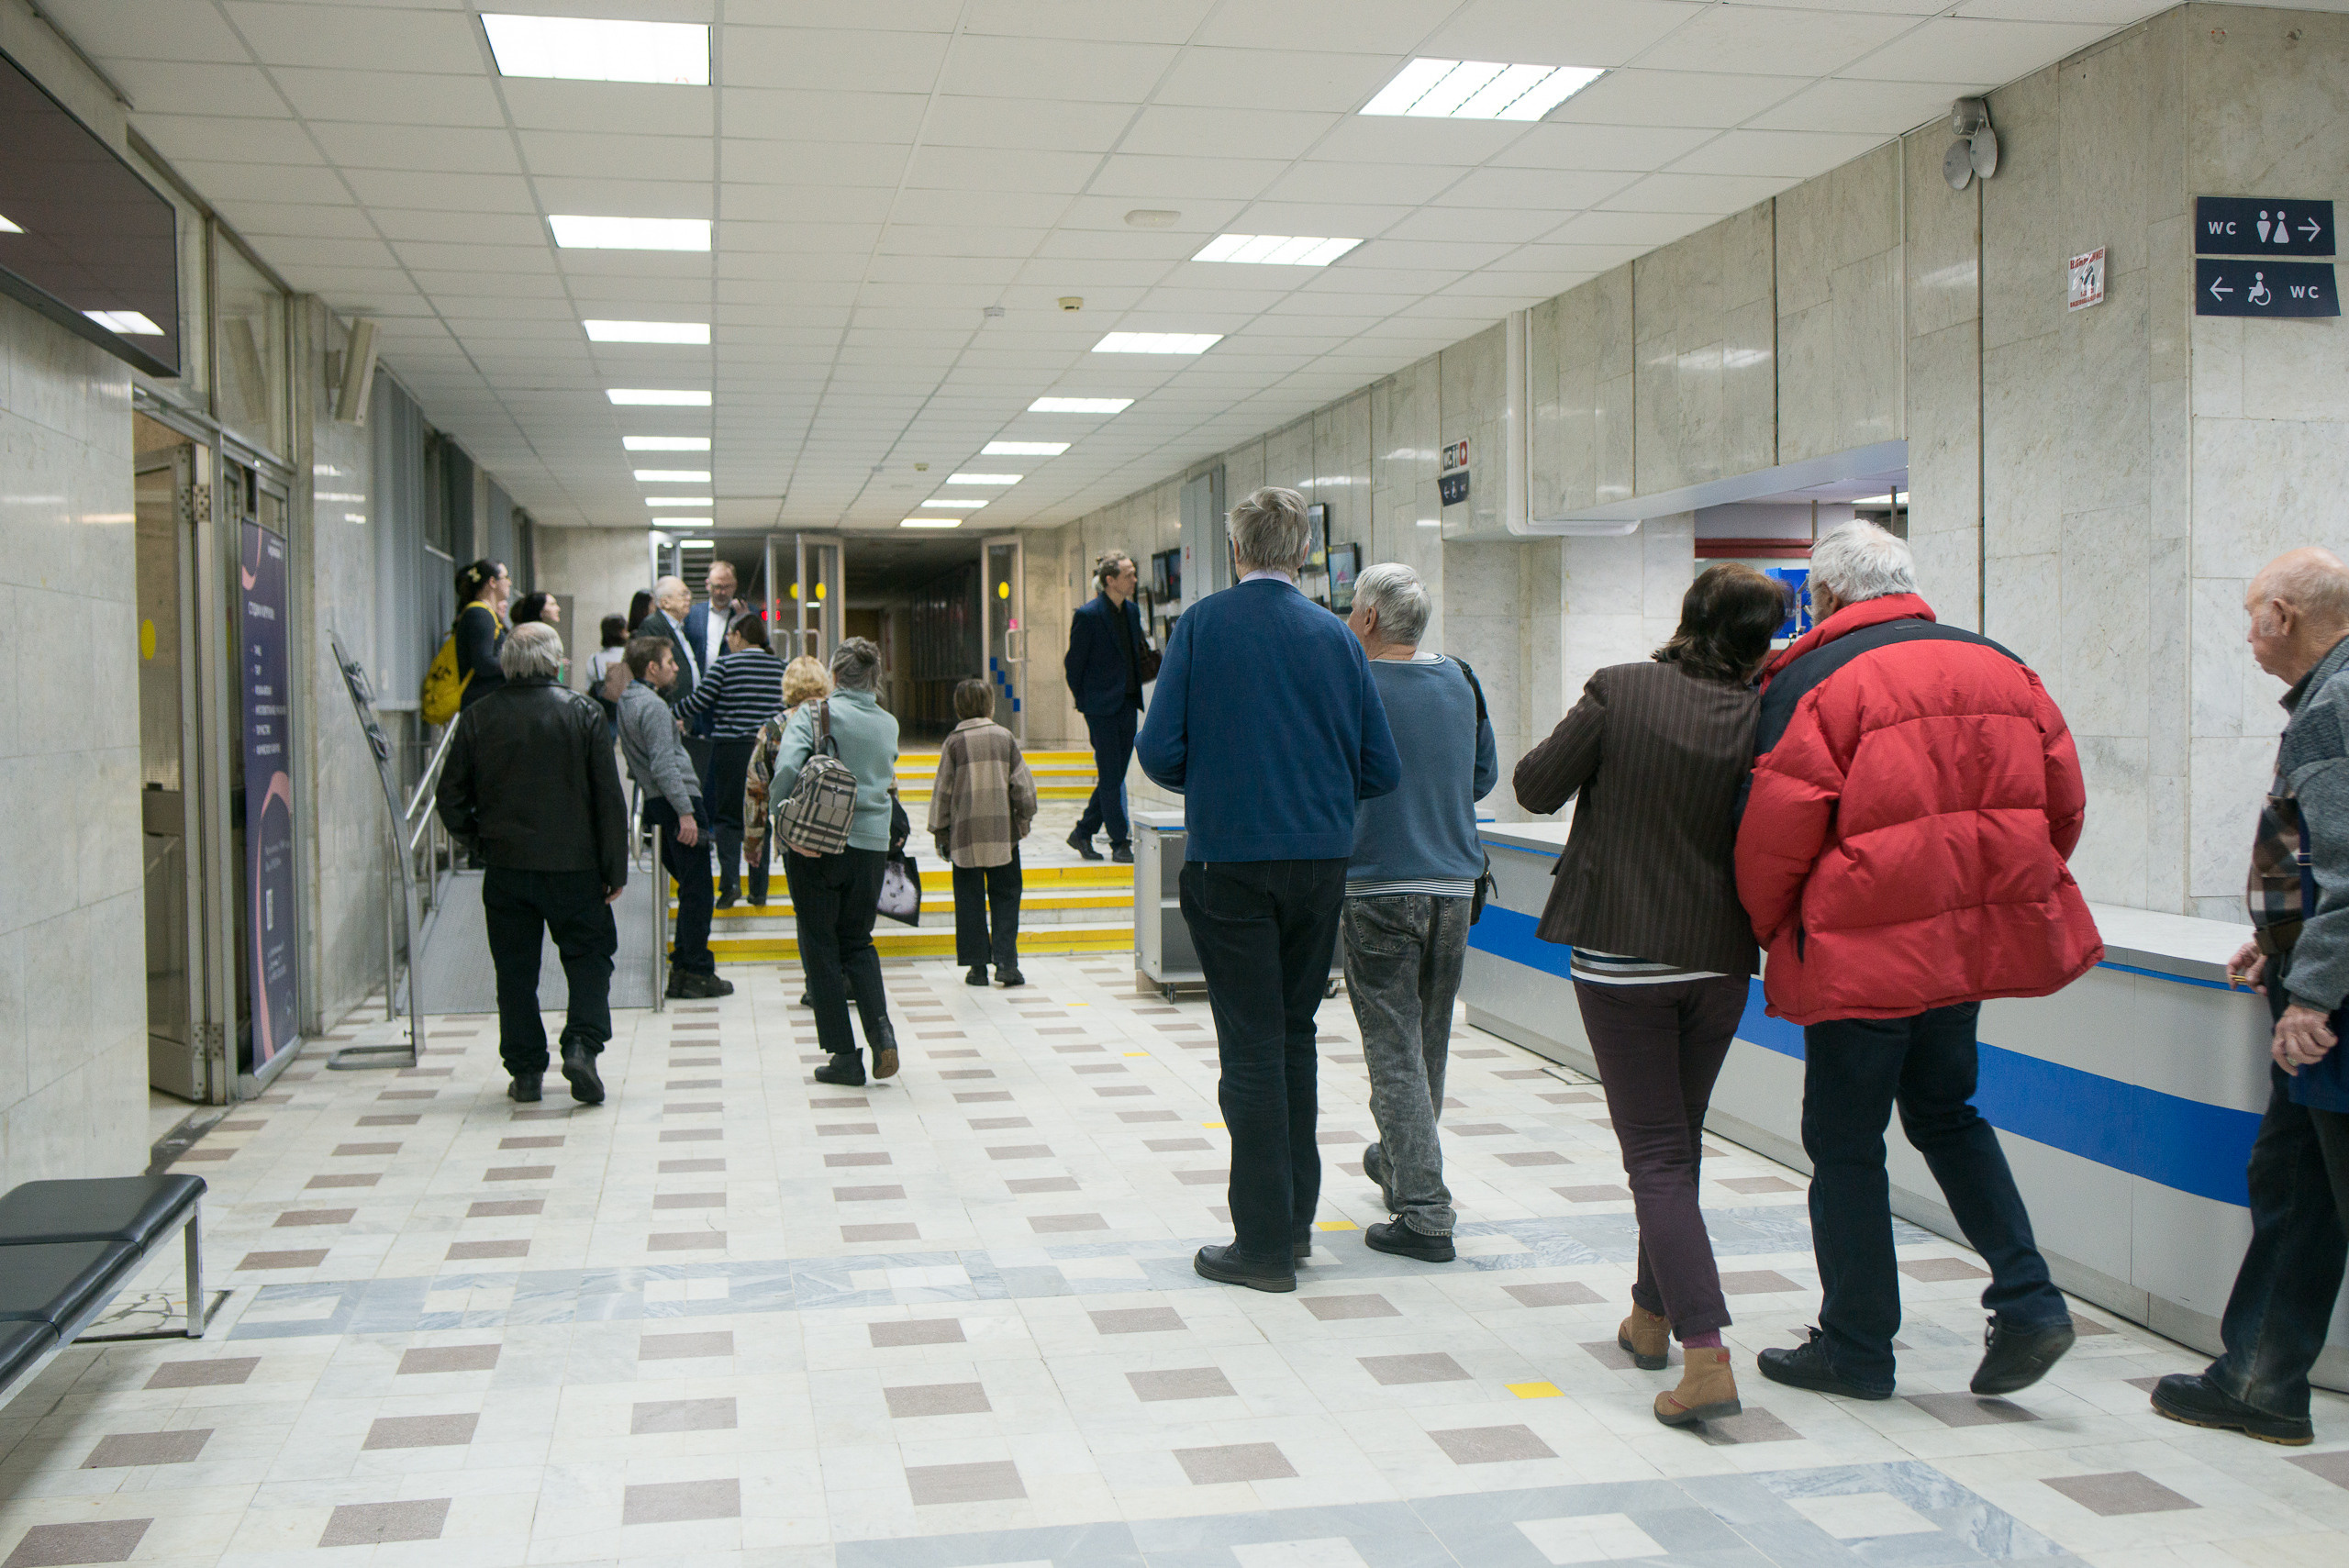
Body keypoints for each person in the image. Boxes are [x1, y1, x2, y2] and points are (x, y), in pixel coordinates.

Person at [1735, 521, 2099, 1402]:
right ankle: (2030, 1300)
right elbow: (2062, 807)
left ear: (1825, 595)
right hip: (1961, 947)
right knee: (1947, 1112)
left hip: (1861, 949)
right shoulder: (2003, 666)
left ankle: (1857, 1346)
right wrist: (1987, 893)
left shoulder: (1817, 678)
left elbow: (1777, 830)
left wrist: (1777, 926)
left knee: (1845, 1140)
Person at [1515, 563, 1789, 1429]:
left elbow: (1534, 786)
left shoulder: (1621, 689)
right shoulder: (1765, 711)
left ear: (1688, 616)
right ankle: (1649, 1316)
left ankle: (1706, 1355)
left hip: (1623, 956)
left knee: (1657, 1156)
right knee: (1678, 1139)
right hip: (1720, 959)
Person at [1138, 486, 1401, 1293]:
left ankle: (1259, 1245)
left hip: (1229, 862)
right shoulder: (1338, 636)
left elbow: (1159, 750)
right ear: (1304, 552)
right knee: (1294, 1036)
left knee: (1249, 1048)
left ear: (1236, 548)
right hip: (1319, 865)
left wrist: (1221, 774)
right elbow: (1380, 766)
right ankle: (1292, 1222)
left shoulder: (1202, 626)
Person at [2151, 548, 2349, 1447]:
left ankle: (2261, 1376)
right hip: (2318, 978)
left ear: (2284, 613)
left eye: (2250, 615)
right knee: (2295, 1181)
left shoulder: (2333, 708)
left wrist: (2314, 989)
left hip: (2333, 1008)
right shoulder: (2327, 697)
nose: (2247, 635)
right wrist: (2280, 944)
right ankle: (2262, 1378)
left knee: (2312, 1184)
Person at [1334, 562, 1497, 1269]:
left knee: (1393, 1048)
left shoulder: (1352, 684)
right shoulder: (1462, 679)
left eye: (1352, 609)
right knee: (1428, 1040)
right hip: (1455, 886)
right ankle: (1401, 1158)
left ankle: (1426, 1212)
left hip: (1378, 883)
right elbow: (1481, 776)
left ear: (1369, 618)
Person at [435, 622, 629, 1105]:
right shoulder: (583, 713)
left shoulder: (478, 717)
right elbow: (608, 799)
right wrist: (614, 868)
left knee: (515, 972)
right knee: (589, 959)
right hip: (576, 868)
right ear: (555, 661)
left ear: (507, 662)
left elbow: (449, 797)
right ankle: (581, 1046)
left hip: (507, 868)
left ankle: (525, 1072)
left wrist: (480, 843)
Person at [769, 638, 903, 1087]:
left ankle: (845, 1056)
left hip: (818, 846)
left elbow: (786, 772)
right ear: (874, 677)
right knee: (858, 941)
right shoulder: (888, 724)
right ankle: (882, 1033)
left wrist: (783, 823)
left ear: (835, 674)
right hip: (871, 847)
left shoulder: (812, 714)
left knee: (820, 946)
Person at [617, 635, 730, 1002]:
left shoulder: (630, 701)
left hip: (658, 802)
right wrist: (686, 812)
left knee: (691, 888)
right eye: (669, 662)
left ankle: (684, 968)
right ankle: (695, 970)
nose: (676, 668)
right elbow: (664, 765)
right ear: (652, 668)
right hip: (677, 800)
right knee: (699, 891)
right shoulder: (651, 706)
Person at [930, 678, 1038, 990]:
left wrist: (940, 830)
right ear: (990, 705)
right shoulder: (1005, 738)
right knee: (1006, 897)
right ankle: (1006, 964)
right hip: (1003, 836)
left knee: (969, 902)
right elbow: (1023, 787)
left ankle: (977, 968)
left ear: (958, 707)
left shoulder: (954, 742)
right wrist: (1024, 818)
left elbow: (943, 791)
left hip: (964, 838)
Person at [751, 655, 844, 1012]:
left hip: (797, 834)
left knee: (808, 914)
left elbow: (757, 786)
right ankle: (845, 977)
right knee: (842, 909)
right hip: (843, 828)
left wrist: (754, 839)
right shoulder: (842, 718)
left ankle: (817, 986)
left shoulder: (775, 727)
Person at [676, 614, 787, 908]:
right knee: (759, 815)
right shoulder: (779, 666)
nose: (727, 640)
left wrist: (669, 711)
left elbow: (699, 701)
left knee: (727, 817)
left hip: (731, 750)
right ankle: (759, 890)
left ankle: (730, 885)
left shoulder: (725, 665)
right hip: (768, 749)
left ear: (739, 635)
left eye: (729, 635)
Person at [1063, 549, 1148, 863]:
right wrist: (1087, 702)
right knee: (1111, 774)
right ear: (1110, 580)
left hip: (1128, 703)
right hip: (1100, 708)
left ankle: (1083, 831)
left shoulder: (1132, 612)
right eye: (1129, 575)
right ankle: (1119, 841)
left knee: (1114, 774)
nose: (1134, 580)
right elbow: (1073, 666)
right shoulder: (1088, 615)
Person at [451, 559, 509, 712]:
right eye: (506, 577)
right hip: (481, 705)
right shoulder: (479, 614)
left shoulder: (484, 613)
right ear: (492, 582)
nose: (509, 583)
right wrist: (516, 665)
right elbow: (483, 662)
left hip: (485, 704)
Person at [586, 614, 629, 728]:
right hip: (626, 709)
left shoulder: (594, 658)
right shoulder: (629, 655)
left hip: (604, 711)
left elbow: (588, 688)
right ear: (622, 631)